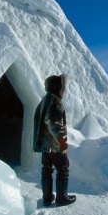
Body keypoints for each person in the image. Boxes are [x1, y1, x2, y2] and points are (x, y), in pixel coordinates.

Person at [33, 74, 76, 206]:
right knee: (63, 168)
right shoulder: (55, 102)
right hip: (54, 144)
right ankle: (61, 197)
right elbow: (55, 126)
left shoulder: (45, 100)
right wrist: (62, 142)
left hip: (45, 144)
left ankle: (47, 197)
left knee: (47, 168)